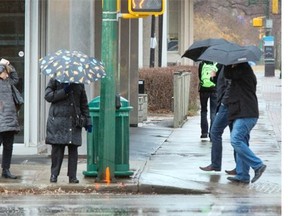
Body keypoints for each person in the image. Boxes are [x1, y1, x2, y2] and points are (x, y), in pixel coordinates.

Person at [224, 62, 266, 184]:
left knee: (236, 140)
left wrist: (226, 64)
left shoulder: (243, 70)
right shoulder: (242, 70)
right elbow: (229, 76)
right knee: (242, 142)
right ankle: (242, 175)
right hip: (242, 113)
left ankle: (258, 165)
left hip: (246, 114)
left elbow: (229, 75)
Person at [45, 79, 92, 184]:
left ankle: (72, 176)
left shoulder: (79, 84)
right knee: (57, 149)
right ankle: (54, 174)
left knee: (73, 150)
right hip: (58, 122)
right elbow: (48, 96)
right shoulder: (55, 80)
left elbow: (84, 104)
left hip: (74, 122)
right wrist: (64, 91)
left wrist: (88, 121)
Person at [199, 65, 236, 173]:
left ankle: (216, 164)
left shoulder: (228, 67)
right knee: (234, 136)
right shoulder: (223, 66)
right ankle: (238, 167)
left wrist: (224, 102)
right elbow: (222, 83)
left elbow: (229, 85)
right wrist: (214, 77)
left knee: (215, 132)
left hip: (226, 105)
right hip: (227, 104)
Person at [0, 58, 20, 179]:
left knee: (8, 146)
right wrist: (1, 65)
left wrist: (9, 65)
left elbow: (15, 78)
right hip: (1, 120)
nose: (6, 74)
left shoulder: (9, 82)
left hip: (10, 119)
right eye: (4, 71)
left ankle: (6, 170)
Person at [198, 61, 220, 139]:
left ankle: (204, 132)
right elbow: (218, 79)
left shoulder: (201, 64)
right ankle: (212, 133)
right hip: (214, 90)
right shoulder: (217, 64)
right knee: (213, 112)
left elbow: (200, 77)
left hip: (203, 90)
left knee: (203, 111)